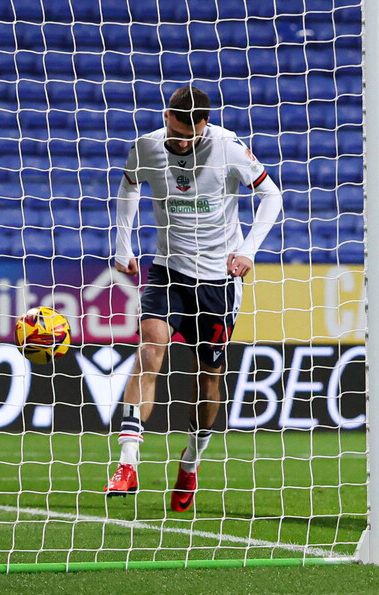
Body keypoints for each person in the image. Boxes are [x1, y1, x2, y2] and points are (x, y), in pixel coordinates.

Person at [104, 86, 283, 511]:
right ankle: (127, 463)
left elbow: (272, 196)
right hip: (168, 270)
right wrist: (123, 246)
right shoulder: (146, 146)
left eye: (193, 135)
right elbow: (129, 188)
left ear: (205, 125)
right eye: (179, 134)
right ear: (167, 117)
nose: (185, 143)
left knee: (208, 379)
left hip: (219, 281)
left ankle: (190, 462)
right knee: (149, 350)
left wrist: (248, 250)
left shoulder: (228, 148)